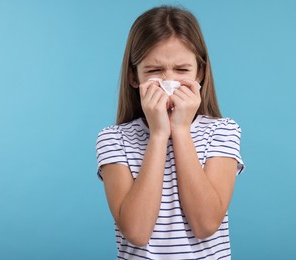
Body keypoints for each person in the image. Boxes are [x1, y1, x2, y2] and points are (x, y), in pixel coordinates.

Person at [96, 5, 244, 259]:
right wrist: (157, 135)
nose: (169, 81)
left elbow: (205, 224)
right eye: (154, 71)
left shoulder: (223, 131)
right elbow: (137, 232)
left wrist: (181, 130)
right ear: (134, 76)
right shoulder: (113, 139)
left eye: (182, 70)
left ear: (200, 73)